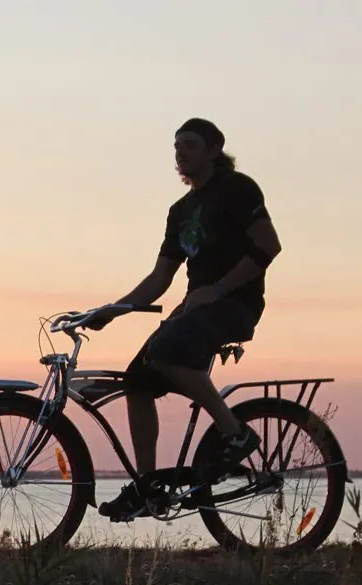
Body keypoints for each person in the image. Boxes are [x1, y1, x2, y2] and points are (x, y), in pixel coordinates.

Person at [93, 118, 281, 519]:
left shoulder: (237, 188)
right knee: (137, 381)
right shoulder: (180, 211)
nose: (181, 153)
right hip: (196, 308)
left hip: (235, 305)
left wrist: (220, 288)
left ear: (214, 149)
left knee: (165, 350)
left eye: (190, 145)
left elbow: (268, 246)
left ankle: (235, 434)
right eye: (177, 146)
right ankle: (148, 487)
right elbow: (160, 277)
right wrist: (111, 310)